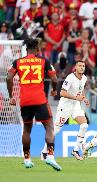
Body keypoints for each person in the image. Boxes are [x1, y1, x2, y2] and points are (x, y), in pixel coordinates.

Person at [6, 38, 62, 171]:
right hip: (39, 99)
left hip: (24, 101)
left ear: (26, 49)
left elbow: (8, 77)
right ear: (37, 49)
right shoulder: (43, 61)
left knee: (26, 129)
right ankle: (50, 156)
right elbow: (54, 78)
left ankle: (27, 159)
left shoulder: (18, 62)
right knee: (49, 126)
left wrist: (11, 97)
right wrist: (54, 90)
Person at [41, 60, 89, 160]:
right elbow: (62, 93)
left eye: (83, 66)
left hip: (75, 105)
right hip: (65, 106)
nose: (81, 68)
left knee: (84, 125)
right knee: (56, 129)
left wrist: (84, 98)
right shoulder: (70, 78)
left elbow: (81, 89)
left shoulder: (84, 78)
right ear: (75, 67)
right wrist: (76, 98)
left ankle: (75, 150)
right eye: (80, 66)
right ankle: (44, 151)